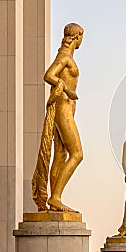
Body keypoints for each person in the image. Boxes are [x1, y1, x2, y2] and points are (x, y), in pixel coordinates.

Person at [32, 23, 84, 212]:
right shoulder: (65, 57)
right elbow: (49, 75)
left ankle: (55, 201)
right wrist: (68, 90)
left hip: (68, 109)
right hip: (63, 107)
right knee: (77, 153)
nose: (81, 41)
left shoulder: (67, 56)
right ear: (77, 36)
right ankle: (55, 197)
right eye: (81, 36)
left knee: (61, 155)